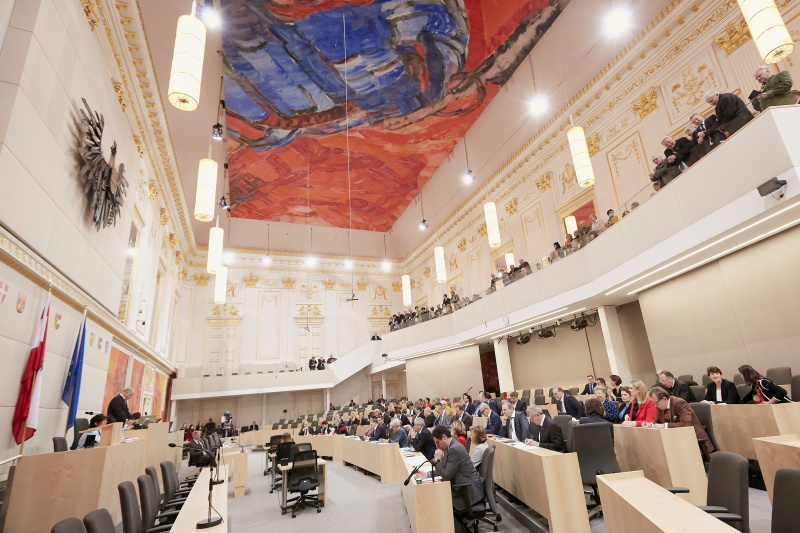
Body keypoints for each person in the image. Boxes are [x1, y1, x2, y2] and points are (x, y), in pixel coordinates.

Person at [414, 426, 485, 533]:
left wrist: (437, 460)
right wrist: (427, 474)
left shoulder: (454, 449)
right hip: (465, 486)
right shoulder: (451, 446)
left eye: (437, 443)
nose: (437, 446)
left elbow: (446, 475)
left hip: (469, 491)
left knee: (441, 503)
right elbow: (446, 469)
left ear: (443, 437)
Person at [648, 388, 714, 453]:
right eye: (654, 403)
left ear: (664, 399)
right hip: (677, 440)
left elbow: (685, 424)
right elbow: (658, 420)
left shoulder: (680, 403)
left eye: (656, 403)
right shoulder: (660, 406)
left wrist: (664, 425)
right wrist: (651, 424)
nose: (656, 406)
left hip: (694, 441)